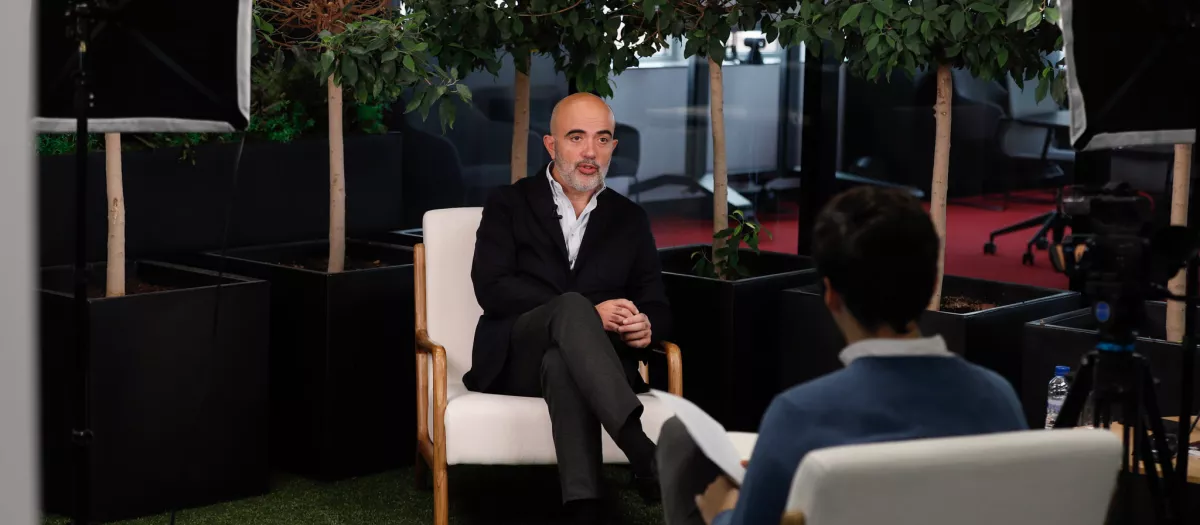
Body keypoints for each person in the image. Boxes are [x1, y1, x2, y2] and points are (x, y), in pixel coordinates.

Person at [656, 186, 1028, 525]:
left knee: (681, 443)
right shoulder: (998, 400)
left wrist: (723, 509)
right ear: (933, 284)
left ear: (831, 294)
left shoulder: (800, 415)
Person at [467, 93, 671, 523]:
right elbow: (492, 288)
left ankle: (584, 507)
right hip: (516, 359)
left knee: (562, 362)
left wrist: (645, 325)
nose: (590, 152)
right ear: (551, 144)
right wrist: (587, 312)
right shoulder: (508, 203)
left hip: (593, 366)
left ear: (613, 146)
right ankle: (641, 449)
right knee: (572, 307)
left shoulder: (630, 219)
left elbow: (656, 302)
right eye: (576, 138)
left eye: (602, 139)